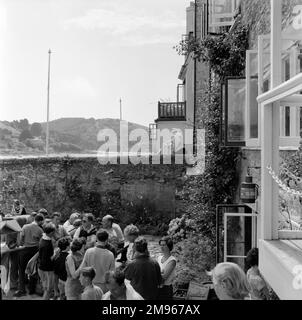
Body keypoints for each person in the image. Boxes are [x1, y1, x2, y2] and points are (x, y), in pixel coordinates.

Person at [13, 213, 44, 297]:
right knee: (33, 270)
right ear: (40, 221)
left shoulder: (25, 227)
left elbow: (20, 241)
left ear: (34, 219)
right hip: (35, 251)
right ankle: (32, 289)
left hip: (24, 250)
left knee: (22, 270)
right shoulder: (40, 230)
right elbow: (41, 243)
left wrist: (23, 243)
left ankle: (22, 290)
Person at [37, 222, 56, 300]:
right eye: (54, 231)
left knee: (46, 289)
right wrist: (55, 254)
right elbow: (47, 260)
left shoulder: (43, 239)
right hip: (47, 269)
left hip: (41, 267)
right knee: (48, 290)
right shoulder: (47, 244)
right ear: (51, 232)